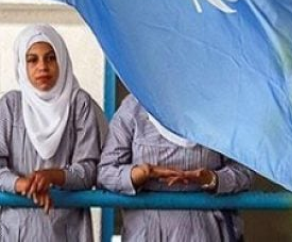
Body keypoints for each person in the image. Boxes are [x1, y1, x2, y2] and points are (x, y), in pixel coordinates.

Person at [0, 24, 104, 241]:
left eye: (50, 58)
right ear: (21, 65)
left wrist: (51, 176)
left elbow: (89, 171)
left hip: (68, 229)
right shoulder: (11, 106)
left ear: (62, 61)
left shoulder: (79, 104)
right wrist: (22, 184)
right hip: (19, 228)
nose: (42, 67)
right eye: (32, 60)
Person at [98, 94, 254, 242]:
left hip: (206, 231)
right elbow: (106, 172)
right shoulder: (134, 107)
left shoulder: (216, 109)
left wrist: (212, 179)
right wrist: (143, 173)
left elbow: (244, 171)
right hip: (146, 232)